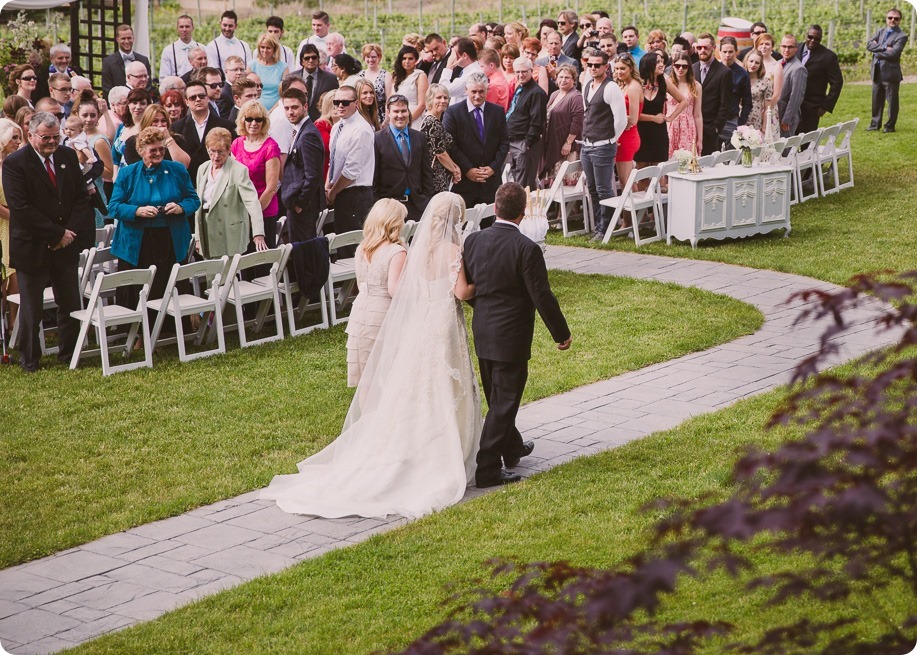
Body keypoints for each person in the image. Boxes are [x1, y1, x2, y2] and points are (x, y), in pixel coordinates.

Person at [262, 191, 481, 519]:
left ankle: (406, 443)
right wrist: (482, 285)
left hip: (417, 321)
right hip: (442, 321)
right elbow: (460, 291)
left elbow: (412, 289)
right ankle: (441, 452)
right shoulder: (442, 250)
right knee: (444, 381)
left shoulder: (415, 251)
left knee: (417, 384)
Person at [463, 182, 571, 488]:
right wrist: (560, 333)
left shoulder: (473, 241)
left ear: (495, 208)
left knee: (498, 397)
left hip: (483, 330)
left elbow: (470, 287)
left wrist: (483, 309)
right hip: (510, 335)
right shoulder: (527, 249)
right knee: (504, 402)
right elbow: (542, 296)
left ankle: (511, 448)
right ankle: (486, 468)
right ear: (523, 214)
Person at [3, 112, 94, 372]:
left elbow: (80, 197)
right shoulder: (15, 163)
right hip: (32, 244)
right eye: (46, 138)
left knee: (69, 302)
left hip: (66, 244)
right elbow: (21, 208)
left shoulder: (66, 156)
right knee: (32, 307)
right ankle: (30, 359)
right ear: (31, 135)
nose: (51, 142)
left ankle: (69, 353)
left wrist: (68, 234)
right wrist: (55, 234)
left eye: (56, 137)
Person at [108, 127, 200, 313]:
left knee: (167, 282)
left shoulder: (177, 170)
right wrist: (137, 211)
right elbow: (114, 207)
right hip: (137, 241)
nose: (158, 153)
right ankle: (140, 332)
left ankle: (172, 328)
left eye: (161, 149)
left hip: (170, 239)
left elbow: (193, 199)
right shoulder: (128, 174)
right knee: (142, 287)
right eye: (153, 150)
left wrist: (181, 207)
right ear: (141, 150)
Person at [345, 199, 408, 386]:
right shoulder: (397, 252)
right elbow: (394, 289)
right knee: (388, 372)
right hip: (383, 312)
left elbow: (360, 282)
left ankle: (367, 416)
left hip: (361, 309)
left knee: (367, 378)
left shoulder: (362, 248)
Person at [195, 127, 266, 259]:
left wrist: (258, 233)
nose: (216, 156)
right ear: (207, 149)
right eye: (213, 151)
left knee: (228, 276)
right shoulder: (202, 169)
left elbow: (252, 202)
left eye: (221, 152)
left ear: (229, 150)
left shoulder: (239, 170)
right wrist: (198, 237)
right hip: (207, 228)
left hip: (229, 231)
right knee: (212, 276)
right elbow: (198, 206)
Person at [443, 74, 510, 212]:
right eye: (473, 91)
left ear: (487, 90)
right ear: (466, 90)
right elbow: (451, 145)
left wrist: (493, 168)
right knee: (463, 226)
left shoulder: (497, 112)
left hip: (490, 182)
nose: (477, 96)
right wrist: (468, 169)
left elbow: (504, 143)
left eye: (481, 91)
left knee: (490, 226)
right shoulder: (453, 112)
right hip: (464, 183)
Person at [580, 50, 627, 240]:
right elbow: (587, 113)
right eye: (589, 64)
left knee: (603, 188)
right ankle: (599, 225)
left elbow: (621, 120)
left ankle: (605, 228)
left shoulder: (611, 87)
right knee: (591, 187)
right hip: (586, 144)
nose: (592, 68)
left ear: (606, 67)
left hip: (603, 145)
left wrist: (610, 139)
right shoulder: (587, 84)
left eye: (597, 65)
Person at [326, 86, 375, 252]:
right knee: (342, 246)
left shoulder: (361, 129)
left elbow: (351, 171)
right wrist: (328, 183)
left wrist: (333, 192)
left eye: (345, 102)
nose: (340, 105)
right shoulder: (337, 127)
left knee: (352, 248)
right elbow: (334, 161)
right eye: (337, 102)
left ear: (355, 104)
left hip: (356, 194)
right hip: (341, 191)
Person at [373, 95, 434, 221]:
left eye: (403, 111)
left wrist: (426, 198)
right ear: (388, 113)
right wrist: (378, 203)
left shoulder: (420, 137)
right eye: (396, 111)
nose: (400, 115)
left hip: (417, 204)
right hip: (390, 207)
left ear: (408, 112)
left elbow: (426, 172)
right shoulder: (377, 139)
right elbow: (374, 176)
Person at [231, 101, 281, 248]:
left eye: (258, 119)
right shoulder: (237, 144)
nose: (253, 123)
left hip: (264, 211)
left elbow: (271, 187)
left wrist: (255, 214)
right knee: (243, 261)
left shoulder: (270, 147)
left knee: (262, 263)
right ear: (242, 120)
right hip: (240, 213)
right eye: (249, 119)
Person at [280, 88, 325, 242]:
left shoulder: (308, 135)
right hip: (299, 203)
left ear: (305, 107)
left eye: (294, 107)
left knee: (303, 251)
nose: (290, 112)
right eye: (286, 108)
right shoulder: (300, 131)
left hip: (304, 206)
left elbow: (313, 175)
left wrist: (300, 204)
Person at [171, 80, 237, 181]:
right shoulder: (176, 128)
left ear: (207, 98)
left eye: (201, 96)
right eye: (193, 97)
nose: (198, 99)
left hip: (219, 181)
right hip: (188, 183)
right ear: (186, 102)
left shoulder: (227, 126)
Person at [636, 51, 687, 170]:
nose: (661, 65)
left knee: (658, 173)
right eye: (657, 62)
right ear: (648, 64)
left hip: (659, 134)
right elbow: (633, 114)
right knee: (641, 172)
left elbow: (683, 101)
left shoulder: (664, 83)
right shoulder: (637, 85)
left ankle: (659, 189)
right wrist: (654, 118)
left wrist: (670, 118)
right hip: (641, 132)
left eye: (662, 62)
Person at [505, 57, 547, 189]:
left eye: (524, 72)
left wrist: (527, 144)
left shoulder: (536, 93)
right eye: (517, 72)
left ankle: (525, 209)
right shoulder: (521, 88)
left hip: (525, 143)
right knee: (517, 181)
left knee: (524, 185)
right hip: (513, 141)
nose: (520, 75)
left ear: (531, 71)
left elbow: (537, 121)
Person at [74, 91, 114, 227]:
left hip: (94, 193)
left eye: (93, 115)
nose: (89, 119)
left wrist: (88, 164)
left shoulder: (99, 140)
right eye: (85, 115)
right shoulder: (73, 138)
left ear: (98, 117)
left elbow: (109, 172)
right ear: (77, 115)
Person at [796, 24, 843, 134]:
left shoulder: (828, 57)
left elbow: (837, 82)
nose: (813, 41)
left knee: (807, 143)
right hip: (793, 106)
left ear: (821, 39)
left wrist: (825, 106)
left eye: (817, 39)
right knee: (790, 141)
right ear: (806, 35)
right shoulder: (795, 49)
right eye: (810, 37)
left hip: (812, 107)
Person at [867, 7, 907, 133]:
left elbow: (894, 54)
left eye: (896, 18)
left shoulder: (902, 36)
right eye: (890, 18)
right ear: (886, 19)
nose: (892, 20)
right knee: (876, 99)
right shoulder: (880, 31)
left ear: (899, 20)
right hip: (877, 71)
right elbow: (869, 45)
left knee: (892, 102)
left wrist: (877, 51)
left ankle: (890, 126)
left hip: (891, 73)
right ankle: (874, 124)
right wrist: (885, 47)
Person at [540, 63, 582, 181]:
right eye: (561, 77)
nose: (563, 80)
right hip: (553, 141)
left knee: (566, 179)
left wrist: (568, 142)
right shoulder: (554, 94)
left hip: (566, 144)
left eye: (567, 77)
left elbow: (577, 121)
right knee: (554, 177)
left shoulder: (576, 96)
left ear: (573, 80)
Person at [0, 119, 23, 332]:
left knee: (15, 272)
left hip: (16, 220)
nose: (17, 142)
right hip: (4, 224)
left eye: (19, 138)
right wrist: (18, 219)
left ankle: (15, 322)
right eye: (13, 138)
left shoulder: (14, 164)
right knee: (5, 272)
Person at [420, 83, 463, 193]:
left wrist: (454, 166)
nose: (443, 101)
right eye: (438, 97)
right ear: (430, 99)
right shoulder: (432, 122)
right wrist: (455, 171)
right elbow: (440, 154)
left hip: (439, 175)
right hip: (435, 178)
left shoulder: (435, 121)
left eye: (445, 97)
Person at [693, 34, 732, 154]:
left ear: (714, 47)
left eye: (706, 47)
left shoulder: (724, 72)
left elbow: (725, 103)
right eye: (699, 48)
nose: (702, 50)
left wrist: (716, 127)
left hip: (710, 128)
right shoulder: (692, 69)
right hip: (692, 126)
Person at [122, 104, 191, 168]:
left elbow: (184, 165)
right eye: (155, 121)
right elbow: (137, 167)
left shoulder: (177, 139)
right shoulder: (133, 142)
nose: (160, 125)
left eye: (163, 121)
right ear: (146, 122)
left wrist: (168, 138)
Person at [613, 53, 642, 199]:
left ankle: (633, 218)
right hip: (622, 135)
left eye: (622, 68)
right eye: (616, 68)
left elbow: (633, 119)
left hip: (628, 137)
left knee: (626, 181)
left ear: (630, 68)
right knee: (626, 181)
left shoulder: (633, 88)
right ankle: (631, 218)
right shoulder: (623, 85)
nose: (619, 72)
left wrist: (613, 119)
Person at [718, 36, 752, 149]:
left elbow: (747, 102)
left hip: (731, 120)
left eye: (730, 52)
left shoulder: (742, 74)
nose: (727, 55)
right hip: (713, 120)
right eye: (725, 52)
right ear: (719, 52)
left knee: (731, 157)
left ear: (736, 52)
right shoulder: (713, 70)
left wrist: (740, 123)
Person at [666, 53, 703, 157]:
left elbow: (698, 114)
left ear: (689, 67)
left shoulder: (696, 86)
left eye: (684, 66)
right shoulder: (667, 83)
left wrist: (700, 139)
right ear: (673, 66)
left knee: (687, 159)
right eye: (677, 65)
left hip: (688, 126)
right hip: (670, 125)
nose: (680, 69)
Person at [293, 43, 339, 123]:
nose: (311, 60)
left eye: (314, 57)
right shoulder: (292, 78)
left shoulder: (330, 79)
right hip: (298, 122)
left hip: (322, 123)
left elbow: (334, 102)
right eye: (307, 58)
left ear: (318, 60)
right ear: (302, 61)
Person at [101, 25, 151, 98]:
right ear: (117, 39)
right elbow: (107, 89)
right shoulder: (108, 62)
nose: (127, 41)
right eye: (123, 38)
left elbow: (148, 85)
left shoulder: (144, 60)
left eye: (129, 38)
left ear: (133, 38)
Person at [387, 46, 428, 129]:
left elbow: (422, 104)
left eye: (410, 58)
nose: (407, 61)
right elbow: (390, 100)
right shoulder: (396, 76)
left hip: (414, 120)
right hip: (396, 119)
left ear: (416, 60)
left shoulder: (420, 76)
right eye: (404, 58)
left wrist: (407, 121)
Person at [111, 88, 150, 174]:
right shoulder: (122, 127)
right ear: (128, 105)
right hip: (121, 176)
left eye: (142, 103)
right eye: (134, 103)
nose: (138, 107)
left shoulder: (149, 129)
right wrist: (115, 174)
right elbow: (115, 156)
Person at [777, 35, 807, 137]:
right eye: (784, 46)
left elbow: (796, 97)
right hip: (775, 114)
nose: (786, 50)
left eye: (790, 47)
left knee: (785, 149)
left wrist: (787, 119)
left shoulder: (798, 68)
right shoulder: (778, 63)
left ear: (796, 48)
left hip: (786, 118)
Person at [250, 33, 286, 111]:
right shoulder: (252, 65)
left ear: (274, 49)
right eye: (262, 47)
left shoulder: (283, 67)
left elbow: (284, 94)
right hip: (255, 110)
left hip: (276, 110)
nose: (265, 50)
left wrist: (271, 112)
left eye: (268, 48)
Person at [159, 15, 202, 79]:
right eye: (181, 27)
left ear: (193, 28)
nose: (184, 29)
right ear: (177, 29)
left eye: (187, 26)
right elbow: (164, 77)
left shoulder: (202, 48)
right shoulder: (168, 51)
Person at [443, 38, 483, 105]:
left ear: (464, 55)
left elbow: (444, 91)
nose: (453, 57)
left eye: (455, 54)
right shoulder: (469, 71)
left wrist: (448, 67)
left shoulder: (472, 74)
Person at [744, 50, 775, 135]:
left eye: (757, 63)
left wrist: (764, 127)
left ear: (761, 65)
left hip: (755, 119)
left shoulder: (766, 82)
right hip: (739, 117)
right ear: (746, 61)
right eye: (751, 61)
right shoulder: (740, 78)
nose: (753, 65)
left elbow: (767, 108)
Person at [755, 33, 784, 118]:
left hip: (768, 111)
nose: (763, 46)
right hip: (753, 109)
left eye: (767, 44)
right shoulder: (752, 63)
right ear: (757, 46)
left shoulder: (777, 66)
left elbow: (777, 95)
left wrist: (766, 111)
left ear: (772, 47)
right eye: (761, 44)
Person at [360, 43, 388, 124]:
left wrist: (387, 119)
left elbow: (388, 99)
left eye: (373, 57)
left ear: (379, 57)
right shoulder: (360, 76)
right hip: (364, 115)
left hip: (381, 116)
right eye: (368, 57)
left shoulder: (385, 75)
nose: (371, 59)